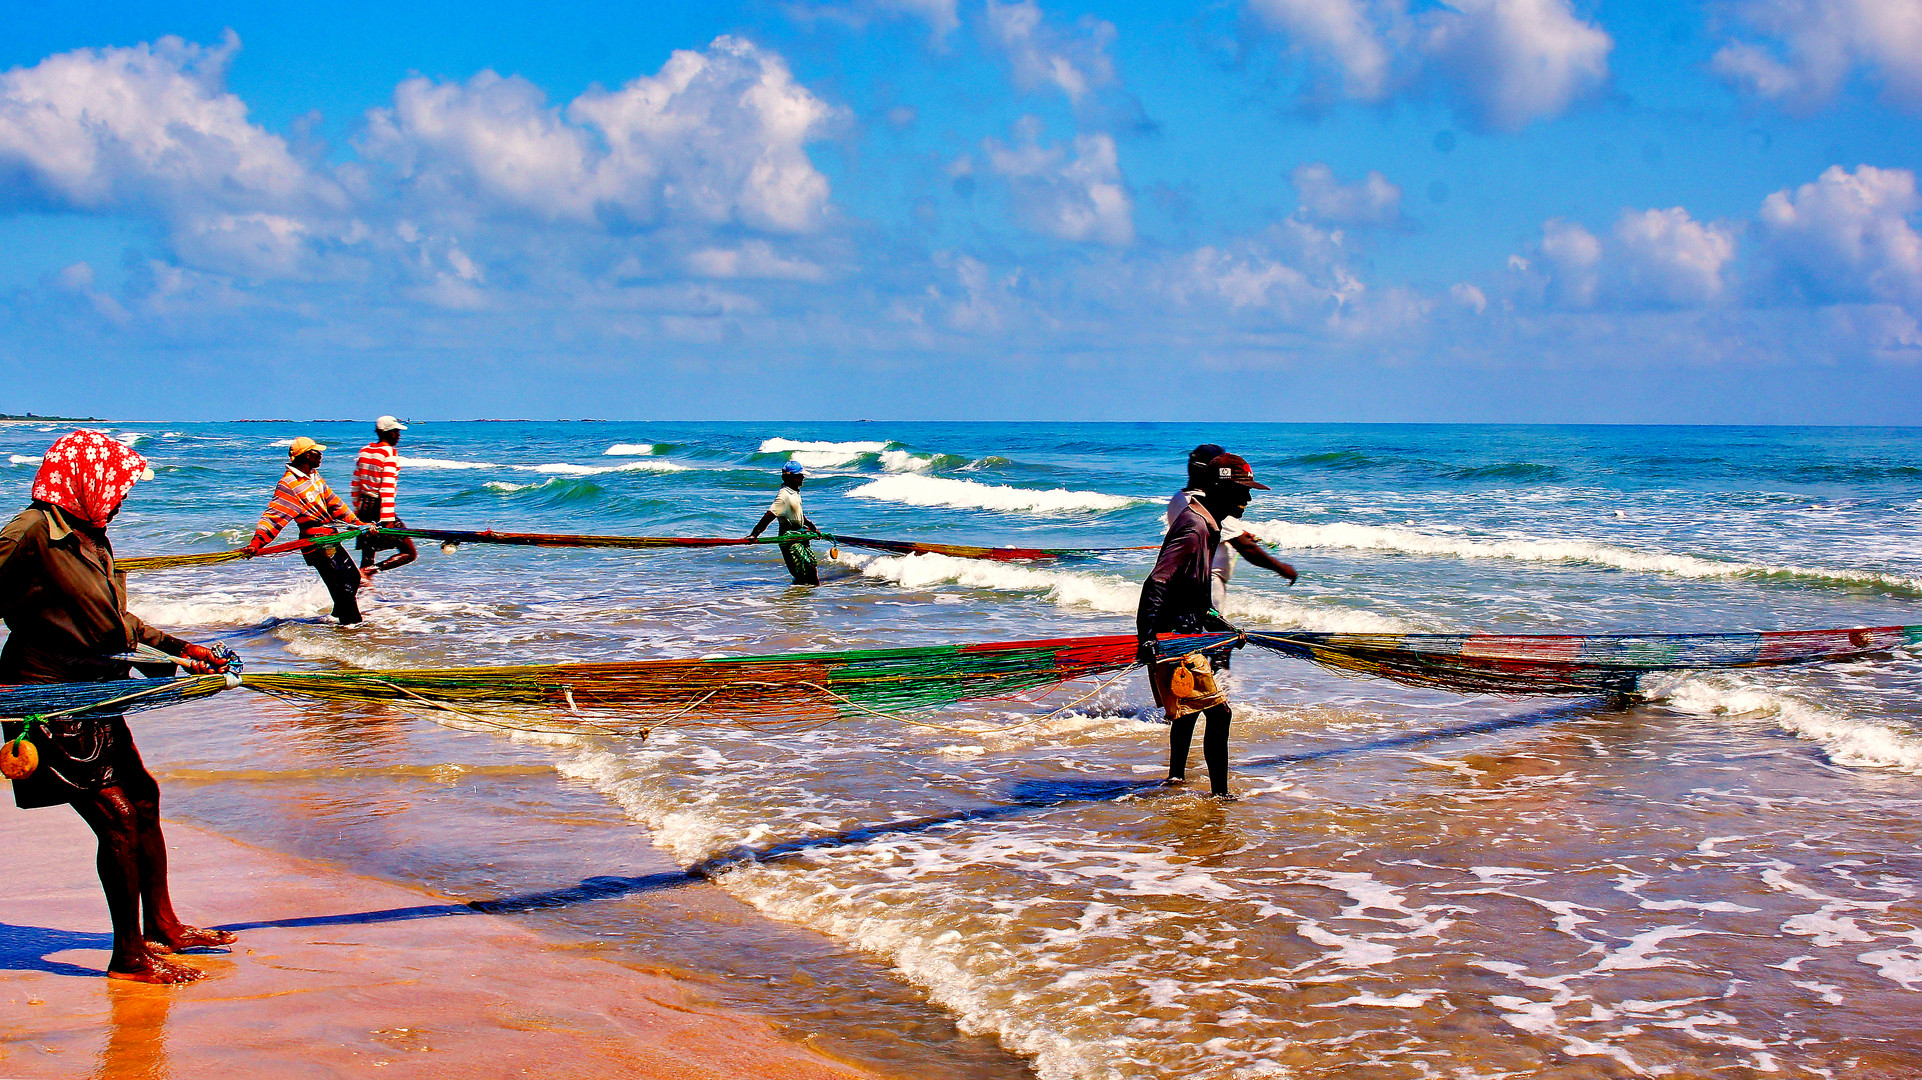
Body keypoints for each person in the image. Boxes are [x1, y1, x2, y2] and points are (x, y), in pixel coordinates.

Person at [0, 429, 238, 983]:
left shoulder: (91, 534)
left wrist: (182, 649)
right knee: (118, 818)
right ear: (83, 477)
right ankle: (127, 956)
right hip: (45, 699)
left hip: (98, 692)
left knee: (144, 798)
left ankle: (161, 926)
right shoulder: (31, 532)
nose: (123, 495)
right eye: (117, 483)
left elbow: (110, 620)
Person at [1137, 453, 1269, 797]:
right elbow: (1157, 582)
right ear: (1217, 488)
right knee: (1219, 714)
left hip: (1185, 632)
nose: (1248, 499)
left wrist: (1223, 628)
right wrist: (1148, 641)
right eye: (1241, 490)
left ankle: (1176, 777)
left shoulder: (1206, 524)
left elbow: (1196, 598)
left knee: (1187, 711)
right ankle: (1221, 796)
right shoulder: (1195, 527)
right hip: (1174, 637)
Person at [242, 437, 370, 623]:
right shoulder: (289, 485)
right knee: (344, 588)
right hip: (316, 543)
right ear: (307, 455)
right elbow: (273, 517)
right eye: (317, 452)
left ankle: (339, 619)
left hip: (330, 538)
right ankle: (352, 627)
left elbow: (335, 503)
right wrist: (256, 543)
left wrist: (358, 523)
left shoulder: (314, 476)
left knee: (353, 578)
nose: (321, 455)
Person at [1167, 443, 1296, 612]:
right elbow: (1246, 547)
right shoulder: (1206, 505)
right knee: (1210, 633)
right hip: (1208, 583)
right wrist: (1282, 568)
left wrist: (1239, 533)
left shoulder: (1179, 498)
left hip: (1189, 582)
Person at [353, 416, 418, 580]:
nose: (399, 436)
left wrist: (357, 513)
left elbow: (355, 484)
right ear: (389, 433)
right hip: (379, 508)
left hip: (364, 508)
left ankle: (362, 595)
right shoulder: (390, 454)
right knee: (409, 553)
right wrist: (387, 519)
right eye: (396, 432)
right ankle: (368, 573)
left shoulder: (364, 451)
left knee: (367, 556)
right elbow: (386, 489)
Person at [747, 461, 820, 585]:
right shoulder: (783, 495)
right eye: (800, 476)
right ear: (791, 477)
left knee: (811, 566)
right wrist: (755, 534)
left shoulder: (794, 492)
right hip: (789, 537)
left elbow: (797, 513)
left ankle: (802, 597)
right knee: (805, 570)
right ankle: (806, 598)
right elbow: (769, 515)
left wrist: (811, 526)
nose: (803, 478)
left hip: (800, 534)